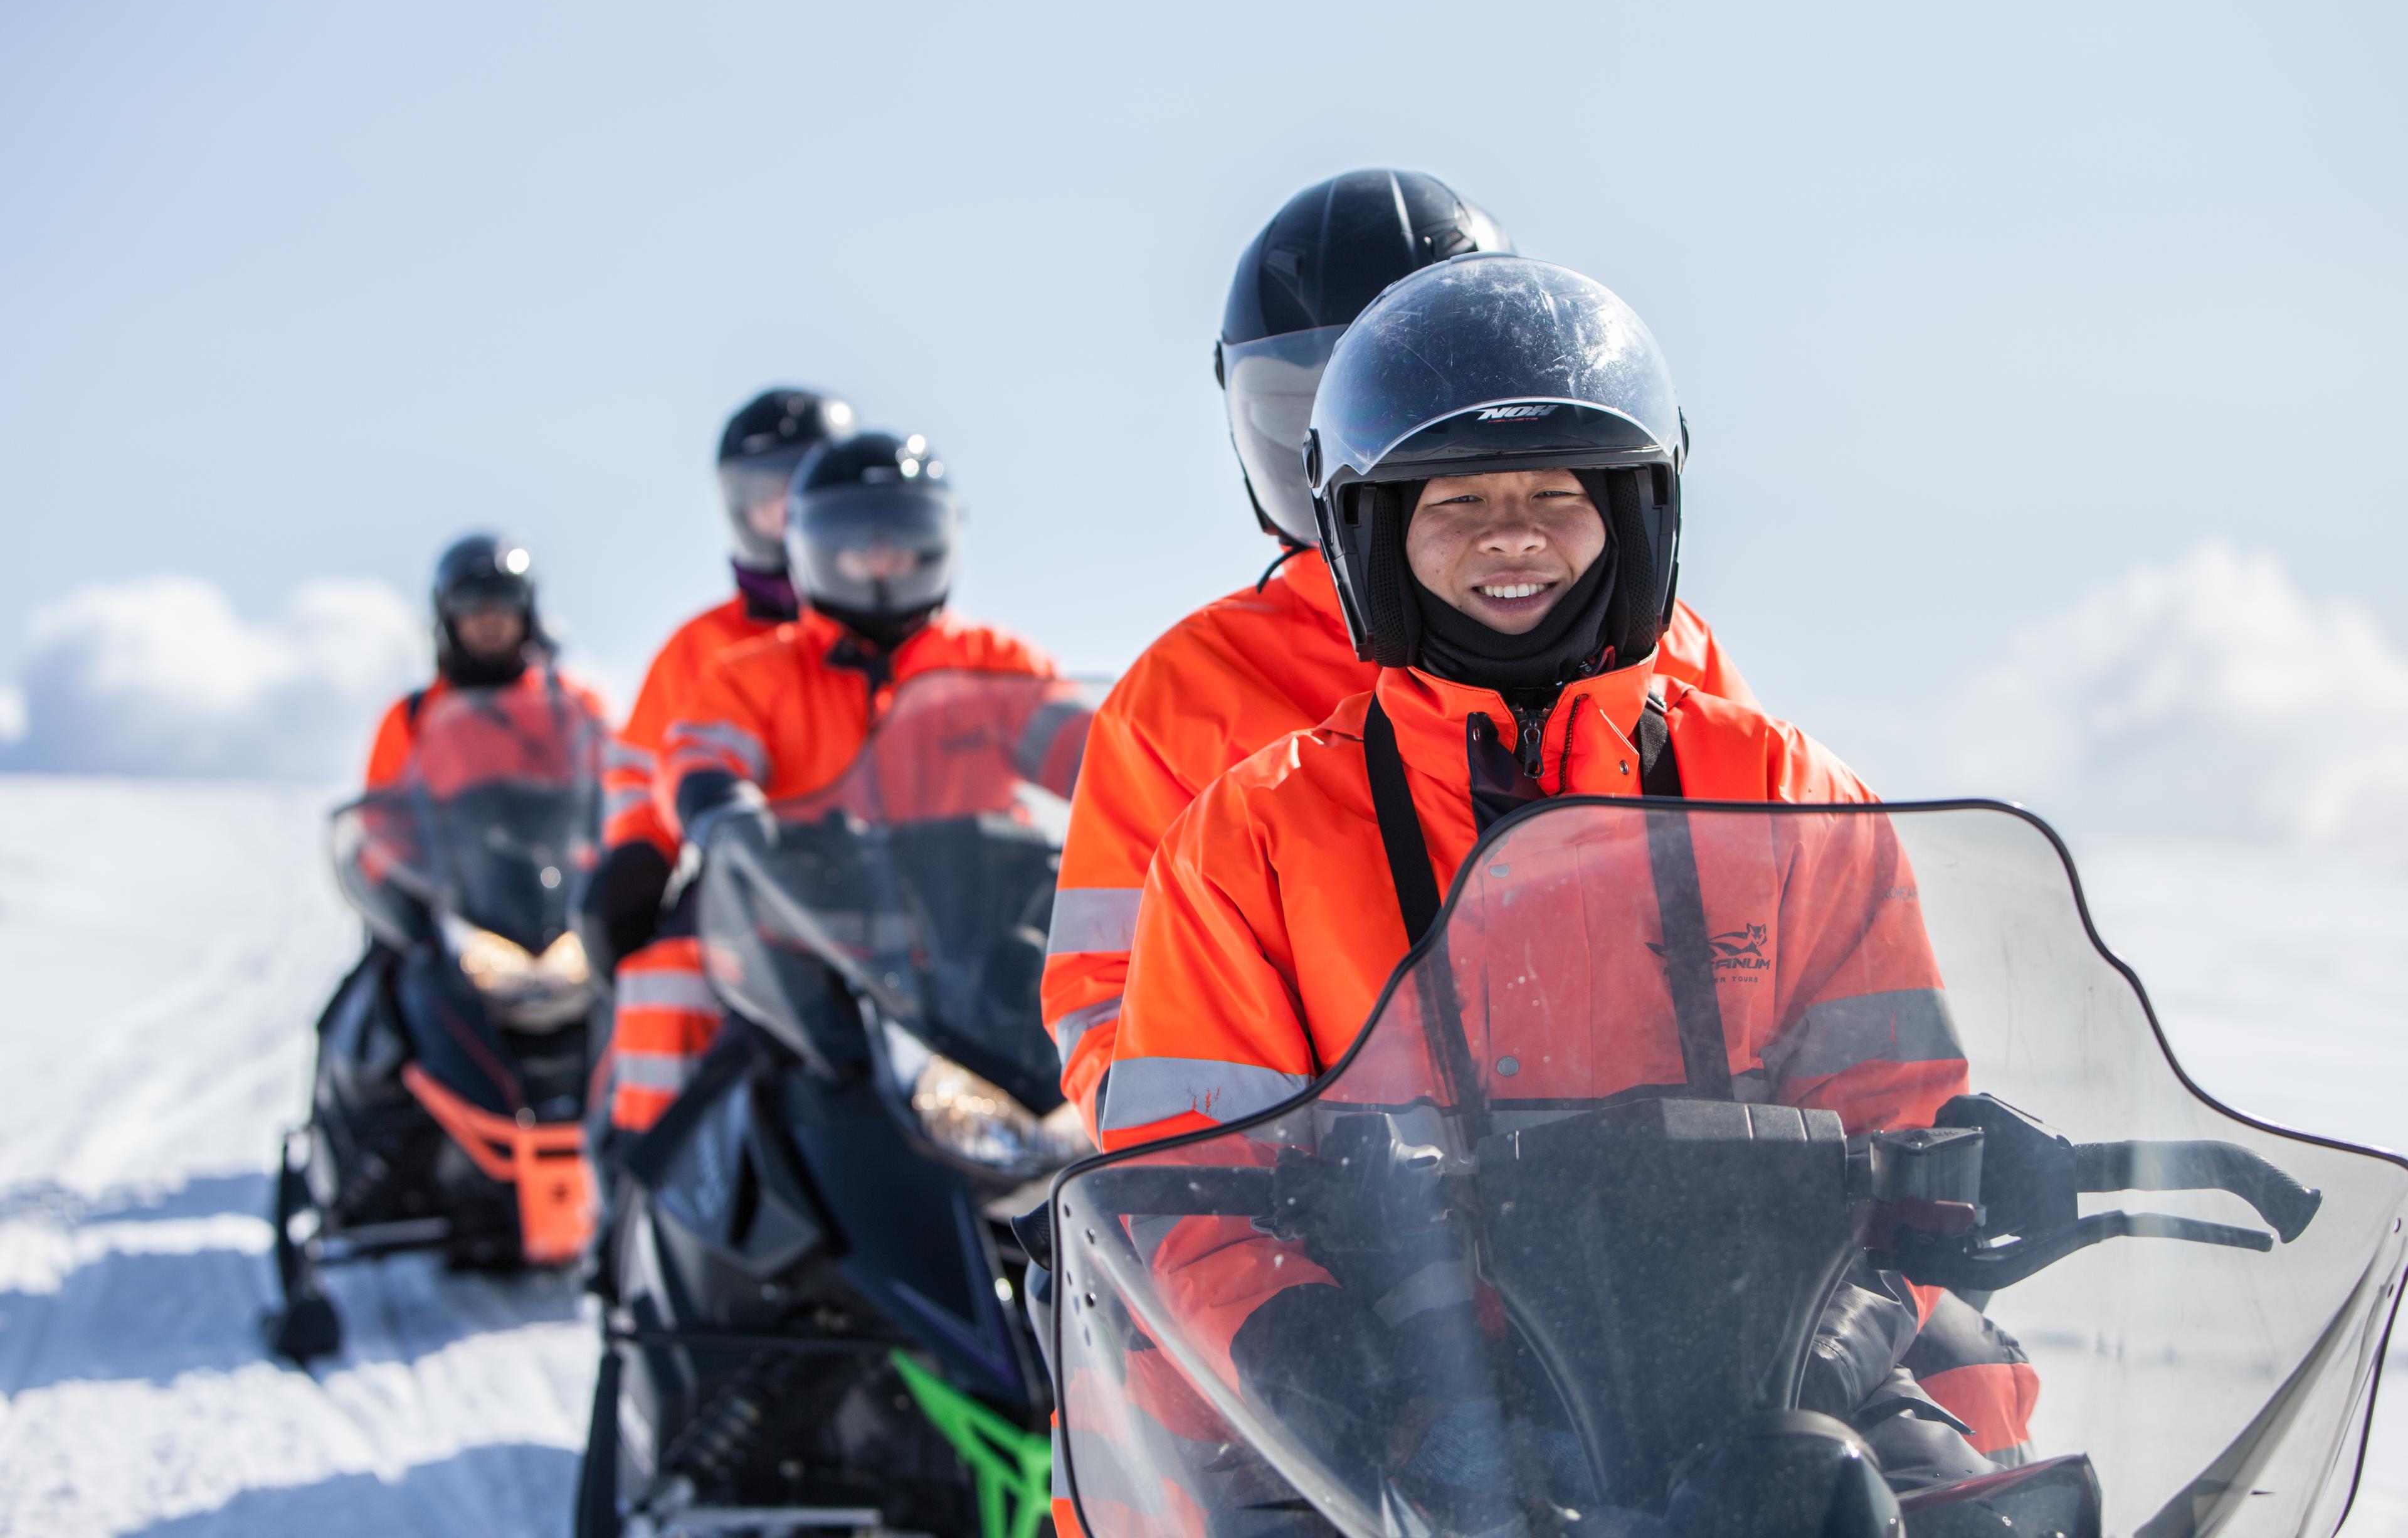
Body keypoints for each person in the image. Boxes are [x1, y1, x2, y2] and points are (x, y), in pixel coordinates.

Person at [1095, 256, 2010, 1492]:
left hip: (1771, 1370)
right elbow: (1186, 1175)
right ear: (1371, 530)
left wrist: (1835, 1348)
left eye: (1555, 493)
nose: (1511, 533)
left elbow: (1899, 1116)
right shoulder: (1249, 837)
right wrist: (1337, 1374)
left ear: (1636, 515)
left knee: (1993, 1506)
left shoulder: (1789, 796)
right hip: (1409, 1389)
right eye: (1456, 502)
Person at [1041, 171, 1753, 1143]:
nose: (1350, 441)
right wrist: (1220, 1179)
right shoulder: (1183, 696)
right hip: (1349, 1227)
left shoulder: (1660, 648)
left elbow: (1771, 903)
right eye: (1306, 411)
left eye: (1402, 397)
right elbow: (1111, 993)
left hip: (1671, 1205)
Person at [657, 427, 1087, 933]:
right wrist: (727, 813)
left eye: (900, 542)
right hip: (809, 944)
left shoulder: (997, 665)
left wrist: (1144, 793)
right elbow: (698, 755)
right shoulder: (755, 674)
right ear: (812, 546)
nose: (881, 563)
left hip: (981, 942)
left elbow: (1089, 754)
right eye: (858, 546)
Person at [583, 388, 855, 1135]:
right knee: (664, 984)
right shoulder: (700, 647)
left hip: (895, 882)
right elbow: (642, 771)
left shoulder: (899, 640)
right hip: (752, 890)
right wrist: (639, 852)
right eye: (768, 497)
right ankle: (645, 1187)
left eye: (805, 489)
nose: (787, 513)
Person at [362, 533, 598, 787]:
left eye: (507, 597)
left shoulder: (572, 706)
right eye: (470, 601)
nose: (490, 618)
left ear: (527, 611)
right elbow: (378, 818)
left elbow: (616, 789)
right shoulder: (412, 718)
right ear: (448, 616)